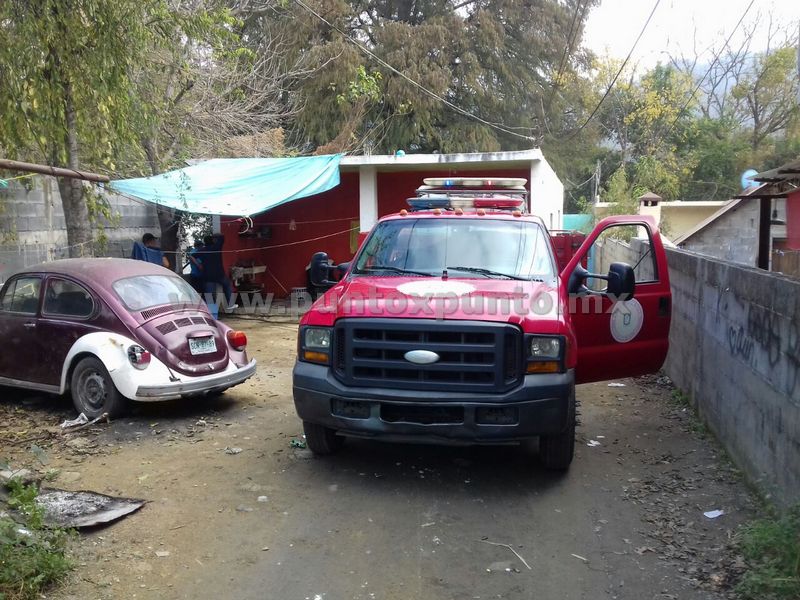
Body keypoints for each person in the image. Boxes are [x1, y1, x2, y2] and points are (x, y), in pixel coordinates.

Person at [201, 233, 237, 311]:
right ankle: (230, 304)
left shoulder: (202, 250)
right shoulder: (216, 247)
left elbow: (192, 256)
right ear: (212, 241)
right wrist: (214, 235)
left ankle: (210, 312)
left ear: (205, 242)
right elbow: (222, 236)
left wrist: (198, 265)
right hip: (219, 274)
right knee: (227, 285)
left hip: (208, 276)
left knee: (209, 295)